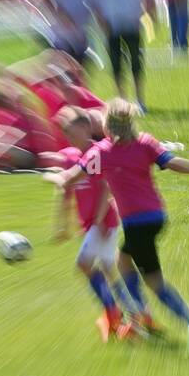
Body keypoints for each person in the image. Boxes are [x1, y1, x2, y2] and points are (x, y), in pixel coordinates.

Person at [47, 98, 189, 353]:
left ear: (106, 125)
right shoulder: (145, 143)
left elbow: (72, 177)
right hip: (156, 217)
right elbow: (171, 162)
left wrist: (55, 177)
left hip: (136, 223)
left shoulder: (101, 152)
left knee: (155, 283)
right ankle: (139, 315)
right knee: (123, 260)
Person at [43, 108, 129, 343]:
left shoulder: (97, 154)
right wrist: (62, 227)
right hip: (91, 224)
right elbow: (66, 190)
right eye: (65, 134)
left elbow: (105, 189)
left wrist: (99, 220)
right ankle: (129, 315)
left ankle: (116, 312)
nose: (68, 138)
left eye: (71, 132)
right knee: (109, 269)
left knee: (85, 265)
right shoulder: (70, 156)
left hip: (103, 222)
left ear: (85, 128)